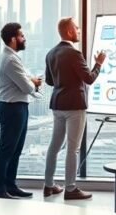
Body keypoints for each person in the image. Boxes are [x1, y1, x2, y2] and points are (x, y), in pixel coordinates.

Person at [43, 17, 106, 200]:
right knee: (73, 148)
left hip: (58, 104)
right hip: (74, 106)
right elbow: (89, 79)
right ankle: (70, 188)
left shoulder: (51, 53)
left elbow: (49, 81)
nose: (78, 31)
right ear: (70, 32)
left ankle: (48, 186)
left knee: (54, 146)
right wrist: (99, 63)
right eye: (77, 28)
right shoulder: (74, 54)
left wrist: (63, 80)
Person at [0, 22, 43, 199]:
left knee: (15, 150)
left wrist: (30, 81)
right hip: (13, 108)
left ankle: (10, 186)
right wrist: (34, 83)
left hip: (12, 106)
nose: (24, 38)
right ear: (13, 39)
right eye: (21, 35)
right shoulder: (11, 59)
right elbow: (27, 87)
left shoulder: (3, 57)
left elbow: (21, 80)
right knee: (7, 150)